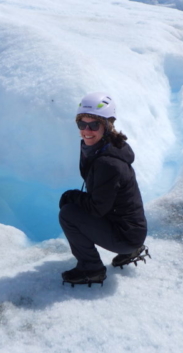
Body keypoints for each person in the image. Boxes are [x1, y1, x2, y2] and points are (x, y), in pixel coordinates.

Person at [59, 92, 148, 286]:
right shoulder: (104, 147)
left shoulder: (108, 162)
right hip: (129, 226)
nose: (87, 130)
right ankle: (130, 249)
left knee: (68, 213)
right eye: (82, 124)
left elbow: (97, 208)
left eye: (94, 124)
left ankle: (91, 269)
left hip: (126, 235)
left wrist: (71, 196)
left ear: (107, 125)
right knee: (74, 206)